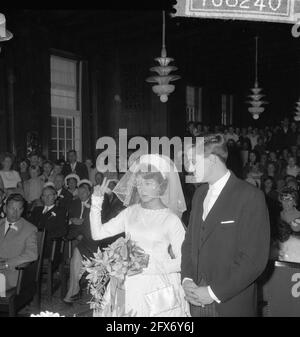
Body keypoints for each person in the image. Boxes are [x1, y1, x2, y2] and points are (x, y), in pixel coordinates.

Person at [89, 154, 189, 317]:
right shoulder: (130, 212)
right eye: (139, 184)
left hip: (157, 284)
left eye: (148, 183)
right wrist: (96, 202)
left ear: (162, 186)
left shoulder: (170, 220)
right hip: (126, 281)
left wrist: (149, 267)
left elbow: (183, 261)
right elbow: (97, 234)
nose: (142, 189)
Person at [182, 133, 270, 317]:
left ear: (212, 159)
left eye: (194, 161)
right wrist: (187, 279)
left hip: (230, 303)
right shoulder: (199, 195)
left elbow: (254, 260)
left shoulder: (250, 196)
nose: (189, 168)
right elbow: (189, 243)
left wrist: (213, 292)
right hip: (196, 301)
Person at [0, 193, 38, 290]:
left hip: (10, 274)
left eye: (19, 209)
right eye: (12, 208)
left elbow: (32, 254)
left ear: (23, 210)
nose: (15, 213)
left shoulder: (30, 229)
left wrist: (7, 263)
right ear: (5, 208)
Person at [29, 186, 68, 258]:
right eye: (44, 195)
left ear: (55, 196)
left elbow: (62, 230)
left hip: (48, 244)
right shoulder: (37, 210)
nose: (46, 198)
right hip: (32, 242)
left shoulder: (60, 211)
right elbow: (29, 226)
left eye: (49, 195)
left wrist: (44, 237)